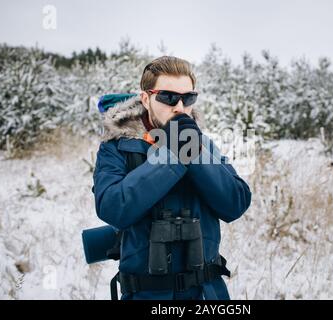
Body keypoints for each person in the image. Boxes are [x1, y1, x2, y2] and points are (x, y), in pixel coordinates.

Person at [92, 56, 252, 300]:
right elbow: (113, 207)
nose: (179, 106)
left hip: (207, 294)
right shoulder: (117, 147)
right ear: (146, 99)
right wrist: (174, 157)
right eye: (168, 97)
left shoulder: (203, 145)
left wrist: (193, 151)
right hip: (146, 294)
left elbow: (235, 203)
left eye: (188, 98)